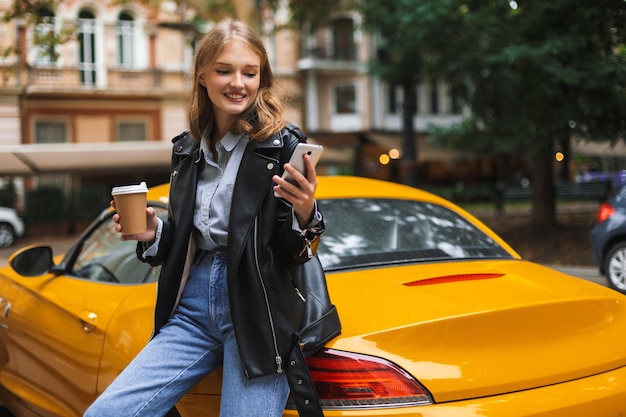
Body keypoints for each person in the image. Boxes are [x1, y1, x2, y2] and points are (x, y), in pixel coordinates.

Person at [84, 18, 324, 417]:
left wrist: (305, 210)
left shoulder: (283, 146)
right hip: (192, 306)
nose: (238, 83)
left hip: (254, 309)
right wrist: (150, 233)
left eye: (250, 72)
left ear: (262, 78)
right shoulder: (187, 149)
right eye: (224, 70)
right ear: (202, 76)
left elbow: (292, 251)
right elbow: (185, 238)